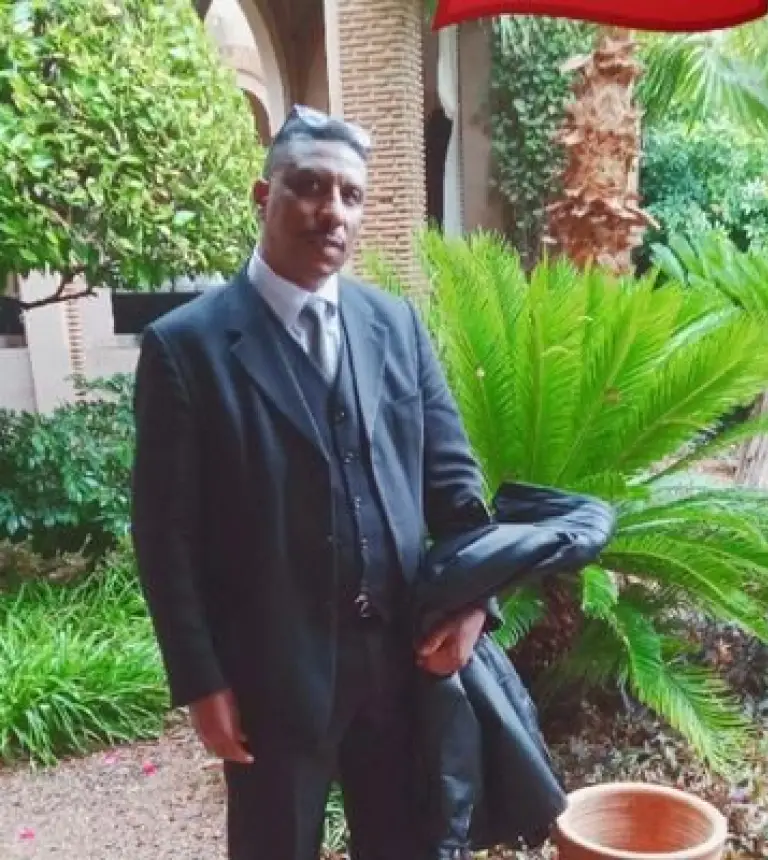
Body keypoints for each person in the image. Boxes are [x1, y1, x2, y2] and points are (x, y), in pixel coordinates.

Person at [130, 104, 495, 860]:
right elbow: (164, 537)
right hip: (269, 675)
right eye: (310, 186)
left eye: (351, 195)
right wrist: (201, 681)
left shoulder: (395, 326)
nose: (333, 211)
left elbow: (455, 486)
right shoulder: (185, 347)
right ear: (264, 197)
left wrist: (472, 603)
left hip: (400, 664)